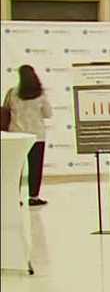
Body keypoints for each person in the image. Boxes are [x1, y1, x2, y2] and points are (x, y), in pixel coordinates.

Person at [3, 65, 53, 205]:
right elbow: (48, 113)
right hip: (37, 135)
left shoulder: (12, 93)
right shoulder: (40, 94)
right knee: (35, 167)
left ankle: (15, 197)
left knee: (15, 168)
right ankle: (33, 197)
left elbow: (5, 109)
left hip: (16, 136)